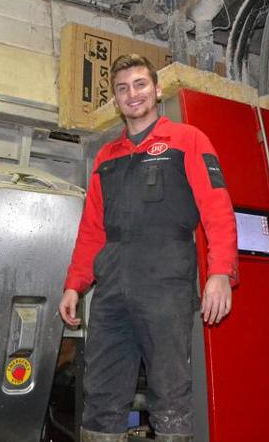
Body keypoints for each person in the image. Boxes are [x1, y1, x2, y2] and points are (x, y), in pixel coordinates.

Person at [59, 54, 238, 442]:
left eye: (140, 84)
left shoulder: (188, 140)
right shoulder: (107, 157)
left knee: (169, 394)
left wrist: (220, 272)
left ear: (157, 90)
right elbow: (92, 229)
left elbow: (218, 210)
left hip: (165, 283)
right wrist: (75, 284)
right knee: (102, 390)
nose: (132, 94)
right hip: (111, 290)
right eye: (122, 88)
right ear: (117, 100)